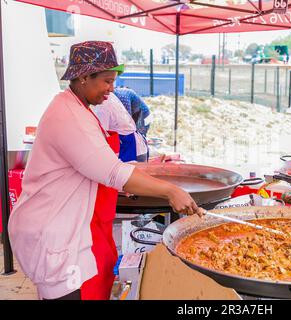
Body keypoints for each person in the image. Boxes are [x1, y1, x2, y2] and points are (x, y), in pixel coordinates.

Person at [8, 41, 200, 301]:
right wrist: (170, 190)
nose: (112, 88)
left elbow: (102, 161)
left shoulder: (78, 108)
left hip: (66, 226)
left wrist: (150, 170)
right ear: (85, 77)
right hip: (51, 229)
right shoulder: (67, 116)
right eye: (108, 81)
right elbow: (111, 172)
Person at [92, 92, 148, 162]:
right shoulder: (110, 97)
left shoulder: (103, 104)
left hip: (130, 148)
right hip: (136, 147)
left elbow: (100, 134)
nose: (111, 88)